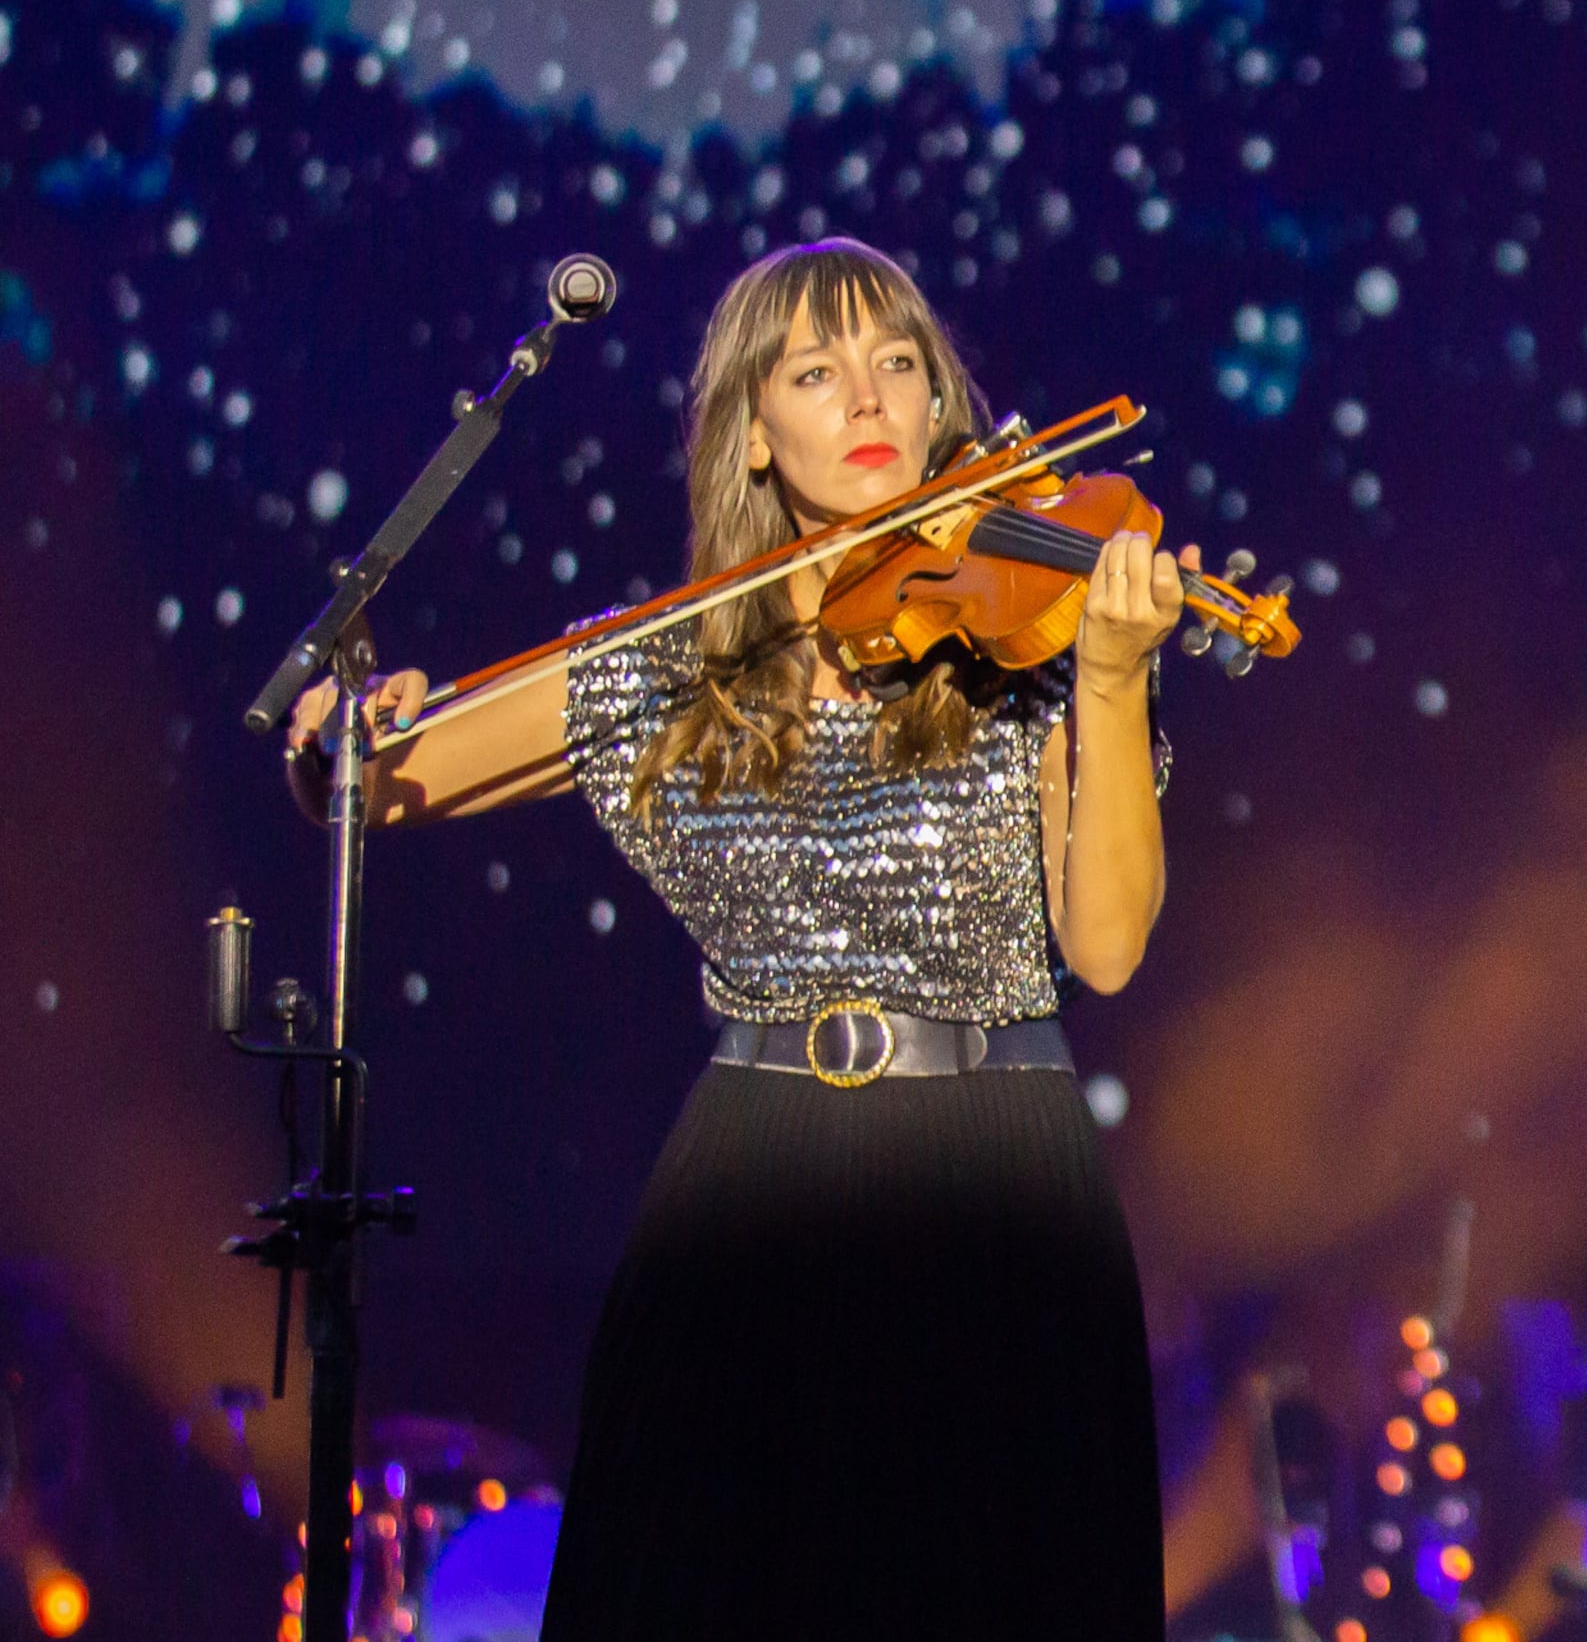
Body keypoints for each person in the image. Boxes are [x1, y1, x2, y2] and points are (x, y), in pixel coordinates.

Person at [283, 237, 1186, 1636]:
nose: (870, 398)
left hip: (995, 1171)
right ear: (754, 436)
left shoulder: (1032, 640)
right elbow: (382, 782)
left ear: (947, 403)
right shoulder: (669, 666)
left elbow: (1111, 943)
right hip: (755, 1172)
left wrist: (1115, 675)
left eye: (900, 362)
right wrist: (341, 739)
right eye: (816, 372)